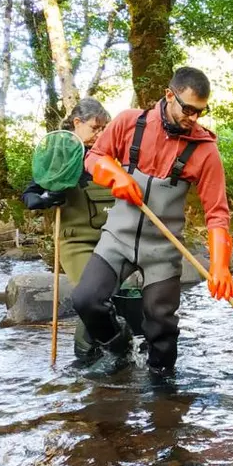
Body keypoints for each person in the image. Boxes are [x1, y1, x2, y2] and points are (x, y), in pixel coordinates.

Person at [72, 66, 233, 376]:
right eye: (187, 108)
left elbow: (217, 212)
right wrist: (115, 175)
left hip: (162, 250)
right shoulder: (129, 122)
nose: (193, 118)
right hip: (116, 239)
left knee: (161, 327)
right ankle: (119, 345)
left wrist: (220, 265)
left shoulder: (205, 150)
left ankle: (163, 395)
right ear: (169, 95)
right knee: (86, 299)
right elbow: (93, 157)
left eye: (200, 111)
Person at [22, 98, 144, 359]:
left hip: (112, 238)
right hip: (76, 240)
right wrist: (42, 199)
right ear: (77, 123)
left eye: (104, 128)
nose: (100, 134)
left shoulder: (109, 153)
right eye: (95, 128)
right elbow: (31, 193)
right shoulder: (59, 153)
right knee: (90, 297)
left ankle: (111, 352)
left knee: (110, 297)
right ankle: (91, 355)